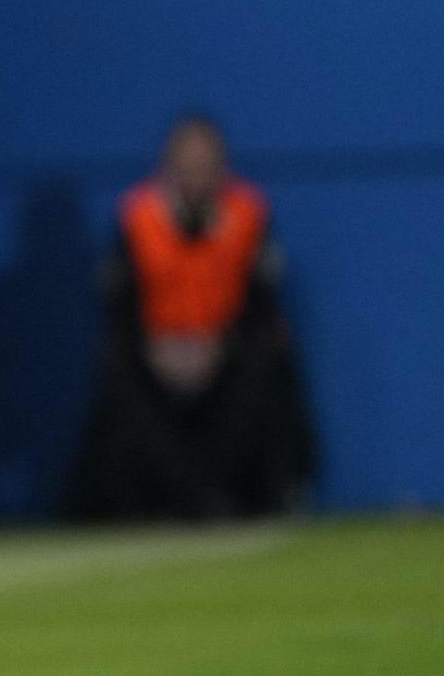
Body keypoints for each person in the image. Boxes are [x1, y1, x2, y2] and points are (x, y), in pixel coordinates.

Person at [71, 115, 315, 521]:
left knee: (271, 362)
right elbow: (119, 305)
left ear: (223, 170)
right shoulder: (137, 216)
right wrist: (156, 351)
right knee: (116, 374)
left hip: (225, 354)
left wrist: (219, 347)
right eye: (186, 167)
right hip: (155, 356)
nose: (196, 177)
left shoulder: (247, 213)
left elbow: (262, 304)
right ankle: (159, 501)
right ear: (166, 169)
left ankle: (270, 492)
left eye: (205, 166)